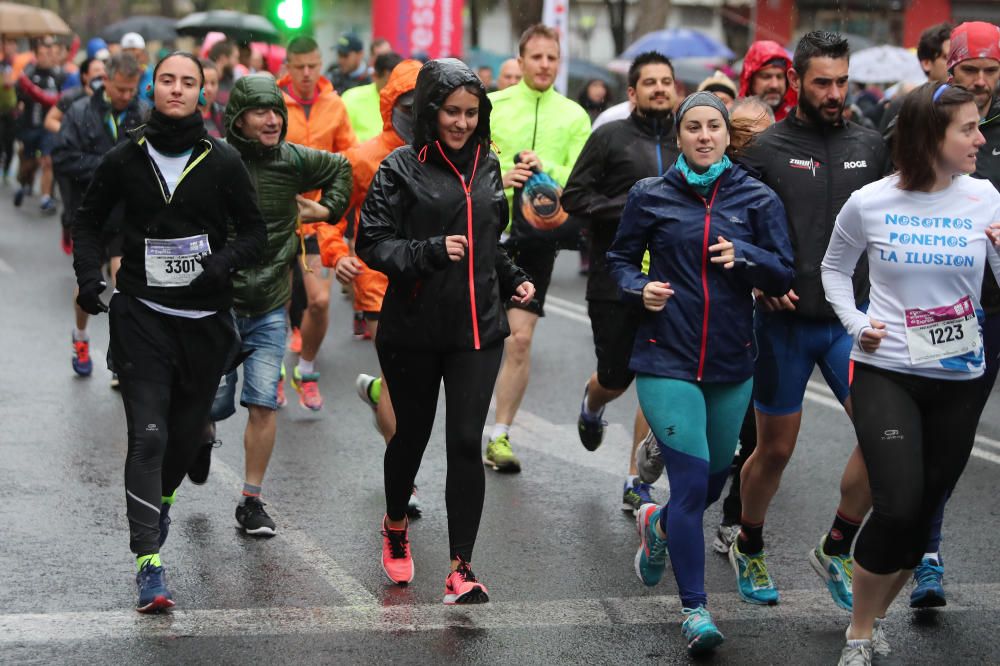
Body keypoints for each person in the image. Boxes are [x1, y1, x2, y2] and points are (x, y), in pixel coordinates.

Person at [71, 52, 266, 612]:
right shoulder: (125, 157)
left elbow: (254, 232)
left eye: (188, 82)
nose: (176, 89)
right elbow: (88, 221)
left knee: (181, 439)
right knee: (150, 435)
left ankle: (174, 479)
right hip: (143, 319)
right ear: (152, 89)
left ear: (203, 93)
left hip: (204, 325)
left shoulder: (223, 161)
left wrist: (223, 263)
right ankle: (149, 563)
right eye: (167, 81)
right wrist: (89, 277)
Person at [608, 91, 793, 655]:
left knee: (713, 482)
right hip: (666, 357)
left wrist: (748, 258)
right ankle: (695, 610)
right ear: (680, 135)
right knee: (690, 485)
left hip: (732, 360)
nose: (704, 136)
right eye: (693, 127)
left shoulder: (756, 197)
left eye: (714, 126)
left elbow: (784, 268)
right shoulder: (651, 195)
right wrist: (642, 288)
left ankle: (659, 527)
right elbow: (618, 262)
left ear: (726, 136)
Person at [823, 81, 1000, 666]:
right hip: (887, 368)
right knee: (898, 504)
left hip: (960, 376)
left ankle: (870, 619)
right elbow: (834, 268)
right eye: (968, 129)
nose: (981, 138)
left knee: (922, 513)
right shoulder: (870, 201)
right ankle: (858, 633)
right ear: (931, 137)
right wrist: (855, 322)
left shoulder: (986, 199)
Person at [356, 58, 534, 602]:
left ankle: (462, 568)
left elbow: (492, 240)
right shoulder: (398, 168)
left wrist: (515, 278)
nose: (460, 122)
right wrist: (429, 252)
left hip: (478, 329)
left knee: (463, 440)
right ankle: (394, 524)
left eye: (470, 113)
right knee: (410, 436)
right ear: (431, 112)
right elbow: (372, 243)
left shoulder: (488, 166)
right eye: (451, 112)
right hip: (412, 326)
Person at [733, 31, 887, 610]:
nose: (834, 92)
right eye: (822, 81)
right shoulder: (767, 149)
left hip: (852, 322)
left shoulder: (871, 146)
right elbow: (733, 228)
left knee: (881, 438)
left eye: (842, 81)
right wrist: (756, 279)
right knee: (774, 450)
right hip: (786, 323)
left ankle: (837, 546)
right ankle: (749, 542)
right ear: (795, 81)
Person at [202, 74, 351, 535]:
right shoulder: (215, 159)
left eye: (277, 112)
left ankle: (251, 501)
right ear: (238, 118)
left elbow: (341, 169)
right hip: (219, 303)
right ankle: (200, 435)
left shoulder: (292, 159)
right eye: (260, 112)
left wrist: (326, 211)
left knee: (263, 401)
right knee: (212, 405)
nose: (271, 120)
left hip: (271, 304)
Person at [903, 20, 1000, 610]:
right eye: (971, 71)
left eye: (992, 71)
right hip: (950, 306)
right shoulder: (922, 123)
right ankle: (927, 554)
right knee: (947, 436)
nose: (983, 83)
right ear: (947, 67)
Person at [562, 51, 680, 514]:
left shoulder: (687, 140)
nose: (658, 89)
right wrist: (633, 205)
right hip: (614, 279)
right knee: (616, 376)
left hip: (672, 282)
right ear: (632, 93)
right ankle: (593, 404)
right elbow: (574, 197)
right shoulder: (609, 137)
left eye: (665, 81)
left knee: (656, 377)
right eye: (648, 82)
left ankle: (638, 480)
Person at [484, 24, 591, 472]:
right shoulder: (492, 104)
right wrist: (502, 173)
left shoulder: (573, 115)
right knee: (467, 338)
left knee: (520, 339)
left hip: (536, 238)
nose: (545, 65)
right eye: (537, 57)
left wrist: (550, 169)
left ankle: (500, 434)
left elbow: (585, 176)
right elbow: (471, 160)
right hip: (484, 231)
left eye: (552, 58)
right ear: (522, 60)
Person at [317, 59, 422, 440]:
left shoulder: (447, 157)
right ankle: (403, 476)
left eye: (425, 106)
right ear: (390, 106)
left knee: (414, 377)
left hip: (432, 279)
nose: (416, 116)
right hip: (377, 279)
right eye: (408, 107)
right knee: (399, 375)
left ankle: (378, 392)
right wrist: (338, 254)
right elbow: (329, 213)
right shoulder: (362, 159)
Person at [277, 35, 358, 410]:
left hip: (319, 219)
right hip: (277, 217)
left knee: (321, 302)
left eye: (313, 65)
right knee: (271, 303)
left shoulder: (334, 104)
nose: (307, 74)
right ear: (288, 67)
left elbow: (348, 162)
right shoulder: (272, 102)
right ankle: (272, 373)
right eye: (300, 67)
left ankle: (305, 370)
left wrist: (343, 208)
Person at [54, 53, 145, 379]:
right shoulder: (80, 112)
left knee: (124, 282)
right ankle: (80, 337)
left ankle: (121, 353)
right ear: (106, 80)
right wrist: (108, 167)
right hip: (89, 213)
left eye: (130, 89)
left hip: (126, 214)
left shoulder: (142, 115)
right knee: (88, 285)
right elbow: (62, 158)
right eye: (120, 88)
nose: (125, 95)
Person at [44, 56, 105, 254]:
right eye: (96, 70)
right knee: (71, 208)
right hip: (69, 157)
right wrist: (72, 130)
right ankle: (67, 225)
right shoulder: (72, 97)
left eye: (103, 70)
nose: (100, 74)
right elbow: (50, 120)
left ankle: (94, 247)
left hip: (92, 160)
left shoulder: (106, 99)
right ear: (85, 75)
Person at [15, 36, 64, 214]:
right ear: (36, 55)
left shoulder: (57, 75)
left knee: (47, 160)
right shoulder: (28, 74)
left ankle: (45, 198)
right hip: (30, 125)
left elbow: (61, 100)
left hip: (47, 127)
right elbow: (19, 98)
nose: (46, 57)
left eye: (48, 54)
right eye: (41, 54)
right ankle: (22, 183)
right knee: (29, 162)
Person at [877, 23, 952, 135]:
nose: (954, 63)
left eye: (957, 57)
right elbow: (884, 148)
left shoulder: (967, 104)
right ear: (926, 63)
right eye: (947, 57)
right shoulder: (903, 107)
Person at [342, 52, 403, 143]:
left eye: (397, 82)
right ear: (374, 76)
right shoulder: (351, 98)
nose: (392, 87)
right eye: (387, 82)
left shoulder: (408, 103)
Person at [738, 40, 797, 121]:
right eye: (766, 77)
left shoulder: (799, 119)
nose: (774, 85)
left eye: (779, 77)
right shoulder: (735, 122)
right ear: (750, 80)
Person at [0, 38, 20, 184]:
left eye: (12, 44)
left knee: (10, 142)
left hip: (12, 110)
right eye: (7, 44)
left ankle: (7, 170)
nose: (9, 47)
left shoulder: (19, 65)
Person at [198, 59, 224, 138]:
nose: (209, 89)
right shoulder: (184, 115)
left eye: (213, 83)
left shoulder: (223, 114)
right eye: (204, 83)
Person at [209, 39, 240, 106]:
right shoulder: (203, 79)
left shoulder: (229, 78)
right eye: (235, 57)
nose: (237, 62)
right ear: (223, 58)